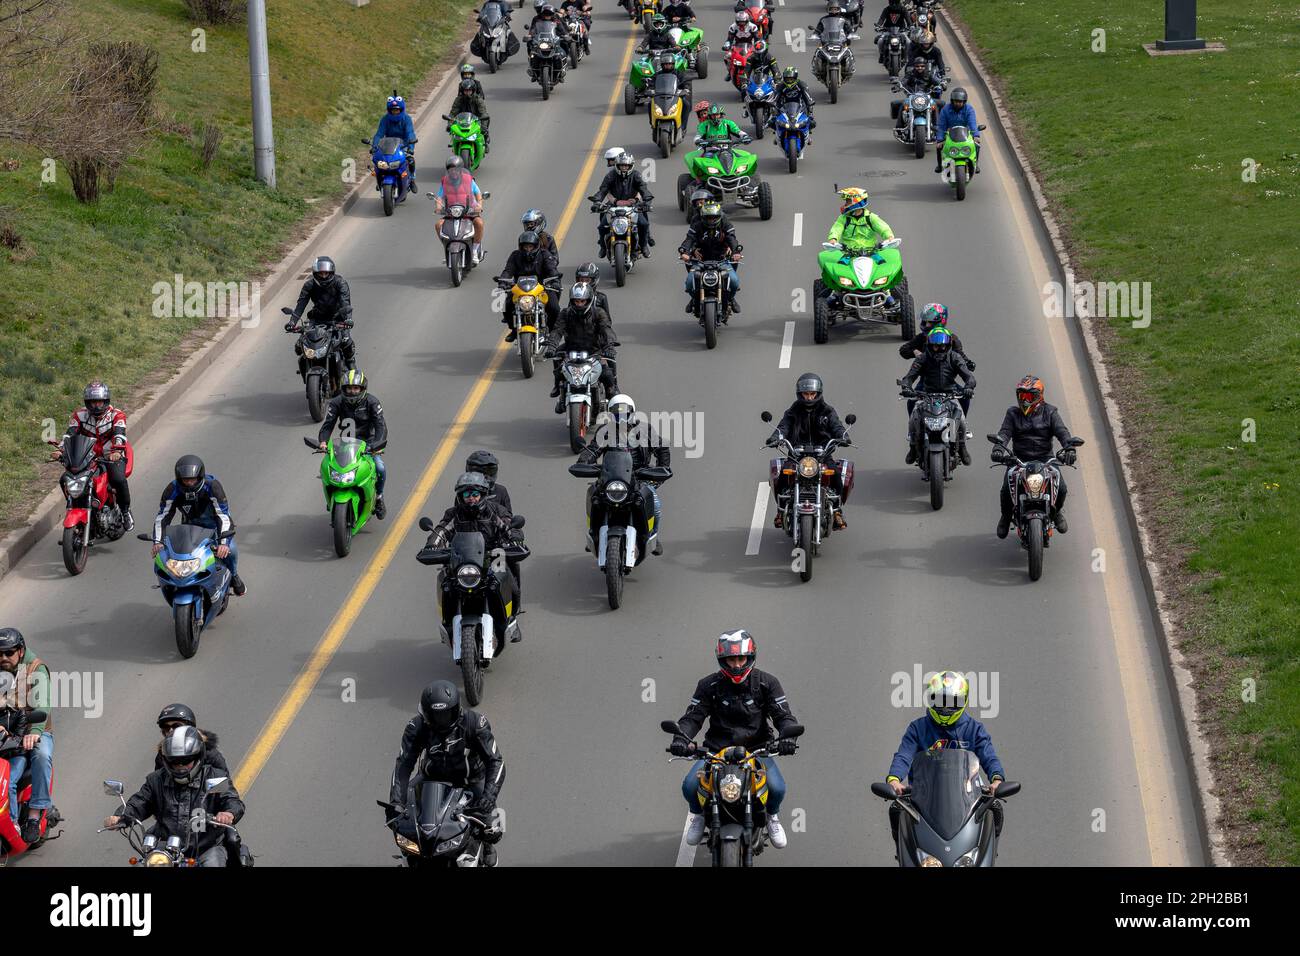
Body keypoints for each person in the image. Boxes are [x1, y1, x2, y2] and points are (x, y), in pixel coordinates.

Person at [669, 630, 799, 849]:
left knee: (777, 788)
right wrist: (680, 739)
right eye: (732, 659)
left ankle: (772, 818)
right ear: (723, 659)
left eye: (741, 658)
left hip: (757, 750)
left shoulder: (768, 683)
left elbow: (783, 715)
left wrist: (788, 736)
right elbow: (692, 717)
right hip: (716, 750)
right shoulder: (708, 685)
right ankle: (699, 815)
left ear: (750, 658)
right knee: (690, 786)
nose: (737, 665)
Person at [388, 681, 505, 866]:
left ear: (457, 709)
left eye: (445, 714)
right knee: (401, 821)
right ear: (425, 713)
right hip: (430, 779)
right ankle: (408, 859)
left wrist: (488, 797)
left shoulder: (475, 723)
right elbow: (403, 765)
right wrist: (396, 802)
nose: (440, 720)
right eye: (434, 715)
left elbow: (496, 762)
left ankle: (485, 847)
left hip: (470, 780)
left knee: (493, 830)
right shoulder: (415, 727)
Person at [885, 670, 1005, 849]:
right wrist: (894, 779)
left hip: (967, 794)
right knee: (896, 809)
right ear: (930, 700)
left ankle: (987, 851)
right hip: (923, 794)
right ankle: (905, 850)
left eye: (952, 702)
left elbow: (989, 756)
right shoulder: (918, 728)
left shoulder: (974, 729)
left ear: (963, 702)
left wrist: (996, 779)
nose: (945, 708)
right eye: (939, 701)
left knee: (995, 806)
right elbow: (904, 755)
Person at [104, 726, 245, 867]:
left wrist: (229, 813)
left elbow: (232, 799)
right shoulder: (156, 780)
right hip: (166, 848)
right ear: (166, 760)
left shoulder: (214, 776)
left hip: (206, 847)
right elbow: (140, 802)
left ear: (198, 756)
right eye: (175, 761)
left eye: (186, 761)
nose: (180, 766)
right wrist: (120, 817)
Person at [576, 394, 670, 555]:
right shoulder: (605, 431)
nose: (621, 418)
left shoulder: (645, 430)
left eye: (624, 413)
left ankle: (652, 534)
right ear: (610, 415)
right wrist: (583, 462)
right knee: (594, 497)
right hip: (611, 477)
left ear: (632, 412)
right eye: (616, 414)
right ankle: (594, 533)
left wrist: (662, 470)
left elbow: (661, 448)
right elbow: (593, 449)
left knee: (655, 503)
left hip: (639, 477)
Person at [423, 472, 525, 615]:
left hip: (494, 555)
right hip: (460, 558)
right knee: (446, 586)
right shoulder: (454, 514)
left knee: (512, 588)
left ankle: (512, 619)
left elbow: (509, 526)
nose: (471, 499)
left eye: (475, 494)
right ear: (460, 497)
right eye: (466, 495)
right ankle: (447, 622)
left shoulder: (495, 511)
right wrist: (432, 545)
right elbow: (441, 530)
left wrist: (515, 537)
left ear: (483, 494)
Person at [991, 376, 1078, 537]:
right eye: (1022, 396)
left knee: (1062, 488)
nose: (1024, 400)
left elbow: (1062, 432)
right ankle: (1005, 516)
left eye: (1029, 396)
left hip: (1046, 459)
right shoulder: (1012, 413)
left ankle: (1056, 512)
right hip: (1019, 460)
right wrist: (998, 448)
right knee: (1006, 489)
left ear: (1039, 396)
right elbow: (1004, 433)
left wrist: (1070, 449)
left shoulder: (1050, 412)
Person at [766, 372, 849, 528]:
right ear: (800, 393)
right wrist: (775, 437)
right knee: (783, 476)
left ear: (818, 393)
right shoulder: (793, 411)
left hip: (822, 455)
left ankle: (837, 511)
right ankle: (780, 510)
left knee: (836, 475)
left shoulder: (827, 411)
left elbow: (836, 426)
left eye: (812, 394)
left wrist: (843, 436)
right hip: (797, 455)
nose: (809, 397)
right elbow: (783, 426)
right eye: (806, 393)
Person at [152, 455, 244, 596]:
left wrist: (224, 543)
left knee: (230, 549)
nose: (189, 483)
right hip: (190, 526)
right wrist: (157, 541)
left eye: (192, 479)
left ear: (200, 477)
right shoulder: (172, 489)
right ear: (179, 478)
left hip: (215, 525)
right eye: (185, 480)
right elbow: (163, 517)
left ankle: (234, 575)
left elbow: (223, 516)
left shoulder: (212, 486)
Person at [56, 380, 133, 531]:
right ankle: (75, 505)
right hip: (86, 457)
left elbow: (120, 434)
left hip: (110, 455)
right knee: (64, 479)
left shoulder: (117, 415)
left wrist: (117, 451)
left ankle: (125, 511)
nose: (95, 406)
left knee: (118, 479)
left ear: (106, 401)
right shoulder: (79, 415)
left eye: (99, 402)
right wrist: (61, 449)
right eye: (91, 403)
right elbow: (69, 434)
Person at [0, 628, 53, 846]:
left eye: (9, 652)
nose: (3, 658)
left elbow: (43, 705)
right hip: (5, 733)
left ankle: (34, 814)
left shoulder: (36, 669)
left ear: (20, 651)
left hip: (34, 730)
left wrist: (34, 733)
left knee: (41, 755)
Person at [898, 327, 975, 466]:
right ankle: (913, 446)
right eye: (935, 346)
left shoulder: (955, 357)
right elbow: (909, 376)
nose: (939, 349)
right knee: (914, 413)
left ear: (948, 346)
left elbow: (969, 377)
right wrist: (906, 387)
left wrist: (968, 387)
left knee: (961, 417)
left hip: (950, 393)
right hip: (927, 393)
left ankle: (962, 446)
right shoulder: (922, 358)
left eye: (942, 346)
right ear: (929, 346)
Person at [317, 369, 388, 520]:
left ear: (362, 389)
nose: (352, 391)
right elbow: (328, 424)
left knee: (380, 467)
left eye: (356, 388)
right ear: (343, 389)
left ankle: (379, 498)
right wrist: (323, 442)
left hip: (368, 445)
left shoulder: (372, 402)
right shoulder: (336, 402)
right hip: (346, 444)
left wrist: (378, 445)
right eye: (349, 388)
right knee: (328, 467)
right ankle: (332, 498)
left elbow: (381, 426)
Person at [825, 188, 899, 311]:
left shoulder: (871, 218)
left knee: (884, 269)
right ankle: (836, 294)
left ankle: (887, 295)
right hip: (849, 254)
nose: (845, 204)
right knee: (838, 271)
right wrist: (833, 239)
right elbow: (837, 228)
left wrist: (889, 237)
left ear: (857, 202)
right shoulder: (844, 218)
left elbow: (883, 227)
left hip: (871, 253)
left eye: (848, 201)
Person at [548, 282, 619, 411]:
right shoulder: (565, 313)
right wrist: (551, 345)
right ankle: (558, 389)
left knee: (607, 375)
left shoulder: (599, 313)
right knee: (558, 367)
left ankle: (611, 395)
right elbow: (557, 330)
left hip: (593, 350)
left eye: (582, 301)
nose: (579, 304)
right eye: (576, 301)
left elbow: (606, 329)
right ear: (572, 301)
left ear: (589, 300)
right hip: (571, 349)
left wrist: (609, 345)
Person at [900, 302, 975, 416]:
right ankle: (913, 430)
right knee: (912, 402)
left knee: (965, 398)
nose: (926, 324)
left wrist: (968, 367)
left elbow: (961, 357)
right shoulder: (922, 346)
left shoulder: (953, 343)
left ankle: (962, 424)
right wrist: (915, 352)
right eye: (935, 345)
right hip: (926, 383)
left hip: (948, 384)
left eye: (942, 346)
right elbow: (904, 351)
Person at [286, 256, 356, 370]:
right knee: (301, 344)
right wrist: (292, 323)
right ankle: (307, 367)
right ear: (315, 273)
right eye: (320, 274)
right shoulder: (309, 285)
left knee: (346, 341)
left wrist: (348, 319)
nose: (323, 276)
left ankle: (352, 366)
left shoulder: (340, 283)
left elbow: (345, 302)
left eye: (326, 273)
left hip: (338, 319)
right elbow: (301, 304)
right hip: (317, 318)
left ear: (331, 272)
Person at [679, 201, 742, 316]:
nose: (711, 220)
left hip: (721, 260)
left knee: (734, 281)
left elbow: (732, 238)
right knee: (689, 282)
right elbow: (689, 239)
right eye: (708, 218)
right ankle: (694, 299)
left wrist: (736, 251)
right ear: (703, 217)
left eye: (714, 218)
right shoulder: (697, 225)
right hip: (701, 261)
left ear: (719, 217)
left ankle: (731, 299)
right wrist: (685, 251)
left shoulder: (725, 224)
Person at [498, 230, 561, 342]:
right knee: (506, 305)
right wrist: (503, 281)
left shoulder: (544, 254)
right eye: (525, 247)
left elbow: (552, 269)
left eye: (530, 246)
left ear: (536, 246)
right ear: (521, 247)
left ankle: (551, 332)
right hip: (519, 289)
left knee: (555, 308)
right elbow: (508, 270)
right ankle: (513, 329)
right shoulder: (515, 256)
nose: (528, 249)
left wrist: (554, 279)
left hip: (542, 288)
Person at [592, 151, 655, 257]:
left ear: (630, 166)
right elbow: (602, 190)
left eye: (626, 165)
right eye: (622, 165)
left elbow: (644, 190)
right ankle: (603, 247)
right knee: (602, 226)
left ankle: (644, 246)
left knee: (644, 224)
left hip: (633, 206)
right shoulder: (610, 176)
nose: (624, 168)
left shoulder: (636, 175)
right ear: (617, 166)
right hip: (614, 206)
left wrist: (646, 202)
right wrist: (596, 202)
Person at [153, 703, 230, 776]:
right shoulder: (162, 755)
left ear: (190, 726)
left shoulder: (209, 752)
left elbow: (224, 783)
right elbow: (156, 783)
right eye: (166, 727)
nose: (171, 731)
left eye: (176, 726)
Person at [434, 156, 486, 264]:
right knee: (438, 225)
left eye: (455, 169)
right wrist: (438, 206)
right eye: (450, 169)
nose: (453, 172)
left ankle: (475, 251)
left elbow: (478, 193)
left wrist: (479, 205)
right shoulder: (445, 182)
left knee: (479, 223)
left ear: (460, 170)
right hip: (452, 211)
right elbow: (439, 196)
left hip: (469, 210)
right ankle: (447, 247)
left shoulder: (468, 180)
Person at [371, 93, 418, 193]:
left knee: (410, 160)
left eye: (397, 110)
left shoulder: (407, 119)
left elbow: (410, 133)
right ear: (389, 110)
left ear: (401, 110)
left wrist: (411, 148)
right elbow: (379, 134)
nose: (395, 112)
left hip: (403, 145)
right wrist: (374, 146)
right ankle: (380, 180)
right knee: (380, 162)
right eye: (393, 110)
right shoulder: (385, 119)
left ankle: (412, 180)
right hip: (389, 145)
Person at [934, 86, 980, 174]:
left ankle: (975, 164)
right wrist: (940, 140)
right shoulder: (945, 110)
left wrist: (976, 135)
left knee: (977, 145)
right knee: (939, 147)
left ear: (964, 102)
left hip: (966, 134)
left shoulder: (969, 109)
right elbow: (942, 126)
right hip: (950, 134)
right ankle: (939, 165)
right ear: (952, 101)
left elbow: (972, 123)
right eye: (956, 101)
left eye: (960, 102)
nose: (958, 103)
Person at [448, 77, 490, 153]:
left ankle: (485, 142)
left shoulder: (478, 99)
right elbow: (453, 113)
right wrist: (449, 124)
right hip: (462, 121)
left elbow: (483, 112)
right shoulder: (458, 99)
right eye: (465, 91)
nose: (467, 92)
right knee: (453, 132)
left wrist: (483, 127)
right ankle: (454, 144)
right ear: (462, 91)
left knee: (486, 121)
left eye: (469, 90)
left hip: (476, 120)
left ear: (473, 90)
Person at [771, 66, 816, 135]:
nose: (789, 81)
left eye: (791, 79)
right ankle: (778, 131)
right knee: (772, 122)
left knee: (812, 122)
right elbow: (776, 97)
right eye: (787, 79)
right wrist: (773, 103)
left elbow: (807, 96)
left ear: (795, 78)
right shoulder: (780, 86)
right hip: (784, 106)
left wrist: (810, 101)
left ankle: (807, 129)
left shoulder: (801, 84)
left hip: (800, 106)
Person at [465, 450, 512, 515]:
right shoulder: (464, 492)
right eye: (482, 472)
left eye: (491, 471)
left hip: (495, 524)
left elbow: (508, 516)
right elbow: (456, 515)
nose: (487, 477)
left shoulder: (501, 491)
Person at [655, 50, 694, 115]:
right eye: (665, 64)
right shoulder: (658, 74)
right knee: (650, 104)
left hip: (676, 96)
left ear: (673, 64)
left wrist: (685, 89)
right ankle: (652, 122)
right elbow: (652, 83)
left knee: (686, 105)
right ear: (662, 65)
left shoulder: (679, 73)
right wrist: (650, 89)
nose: (667, 66)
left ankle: (683, 125)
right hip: (660, 97)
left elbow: (686, 81)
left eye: (669, 64)